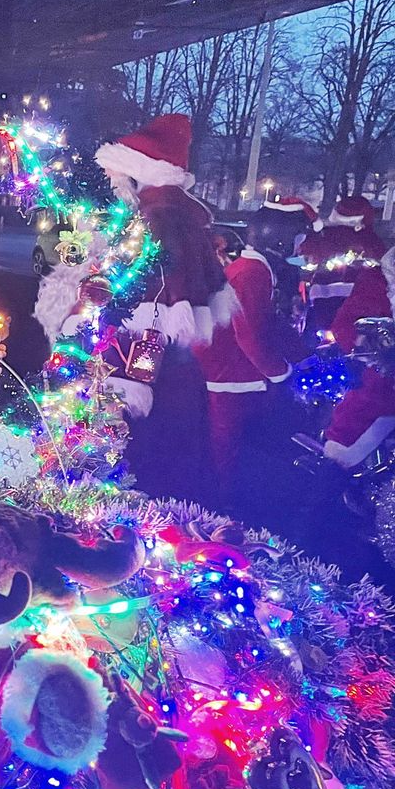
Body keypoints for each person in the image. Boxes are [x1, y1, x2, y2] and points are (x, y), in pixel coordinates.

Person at [91, 113, 237, 503]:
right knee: (180, 448)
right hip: (175, 367)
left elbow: (155, 305)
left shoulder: (155, 219)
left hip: (148, 364)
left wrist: (130, 379)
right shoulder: (181, 215)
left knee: (150, 459)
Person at [193, 226, 303, 506]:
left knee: (228, 445)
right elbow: (248, 333)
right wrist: (279, 372)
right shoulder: (252, 272)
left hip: (230, 370)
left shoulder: (251, 268)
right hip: (230, 373)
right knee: (226, 447)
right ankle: (224, 507)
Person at [322, 245, 395, 469]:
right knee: (344, 449)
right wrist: (377, 348)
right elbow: (345, 326)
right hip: (380, 393)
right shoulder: (377, 280)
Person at [297, 195, 386, 343]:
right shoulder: (370, 240)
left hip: (320, 303)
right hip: (356, 309)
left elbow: (304, 253)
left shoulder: (324, 236)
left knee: (315, 343)